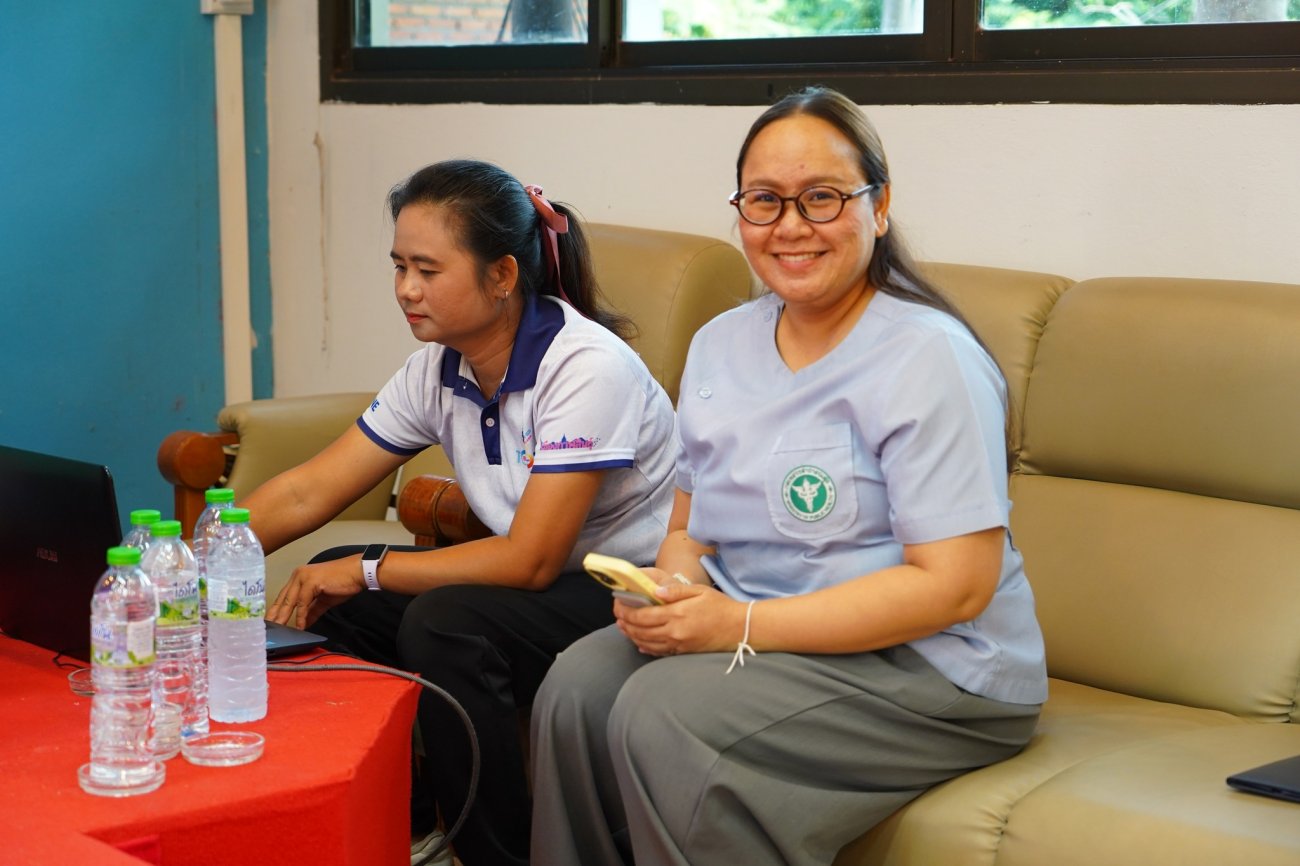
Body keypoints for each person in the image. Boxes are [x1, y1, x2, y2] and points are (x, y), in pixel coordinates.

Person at [529, 87, 1048, 866]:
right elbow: (690, 527)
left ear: (879, 207)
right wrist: (672, 596)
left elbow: (954, 589)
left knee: (665, 713)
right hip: (763, 632)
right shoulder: (718, 345)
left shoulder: (928, 357)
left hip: (933, 666)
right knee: (575, 688)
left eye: (823, 197)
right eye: (765, 200)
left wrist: (736, 627)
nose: (791, 226)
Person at [243, 159, 678, 866]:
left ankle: (492, 855)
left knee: (444, 621)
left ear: (502, 275)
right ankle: (400, 823)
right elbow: (306, 492)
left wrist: (368, 568)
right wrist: (188, 564)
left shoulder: (586, 368)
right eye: (398, 267)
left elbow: (531, 559)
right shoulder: (438, 368)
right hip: (540, 585)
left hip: (631, 587)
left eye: (427, 270)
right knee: (334, 592)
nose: (406, 290)